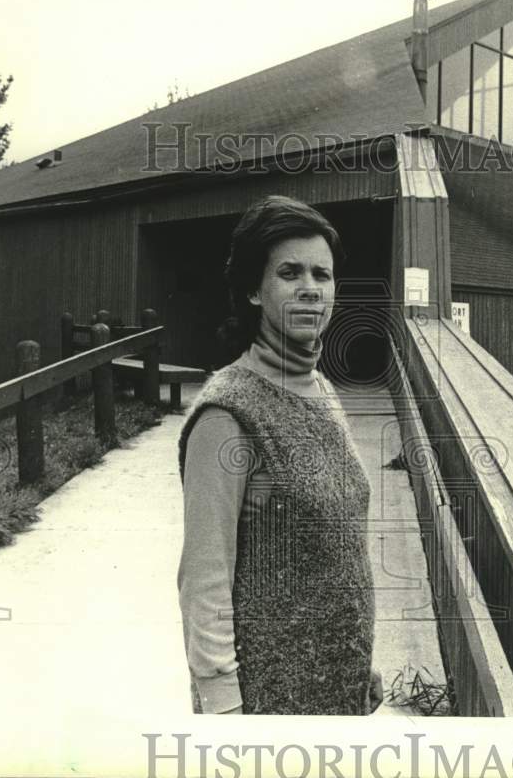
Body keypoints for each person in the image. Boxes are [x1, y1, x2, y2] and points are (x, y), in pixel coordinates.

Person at [177, 195, 381, 715]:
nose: (311, 288)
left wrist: (361, 662)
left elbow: (337, 546)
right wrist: (222, 704)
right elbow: (205, 577)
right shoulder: (227, 413)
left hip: (338, 685)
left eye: (323, 274)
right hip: (268, 703)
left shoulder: (324, 391)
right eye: (290, 273)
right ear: (252, 289)